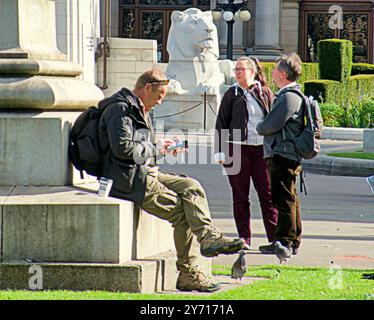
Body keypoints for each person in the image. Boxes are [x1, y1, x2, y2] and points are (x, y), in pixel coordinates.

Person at [97, 69, 245, 292]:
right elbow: (123, 148)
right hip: (127, 179)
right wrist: (155, 147)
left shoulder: (137, 108)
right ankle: (188, 274)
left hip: (144, 171)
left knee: (191, 186)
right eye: (159, 96)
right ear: (147, 87)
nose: (159, 102)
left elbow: (141, 150)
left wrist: (162, 150)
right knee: (182, 213)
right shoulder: (120, 109)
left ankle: (208, 238)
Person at [214, 56, 278, 249]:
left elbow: (275, 120)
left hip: (261, 151)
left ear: (252, 71)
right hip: (236, 149)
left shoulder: (265, 92)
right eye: (236, 69)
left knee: (267, 195)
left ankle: (274, 239)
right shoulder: (231, 94)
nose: (238, 72)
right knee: (240, 196)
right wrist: (220, 152)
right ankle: (244, 238)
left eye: (241, 69)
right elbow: (221, 123)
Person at [256, 53, 305, 258]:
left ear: (283, 74)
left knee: (283, 198)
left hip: (282, 153)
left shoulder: (288, 97)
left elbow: (269, 125)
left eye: (276, 69)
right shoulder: (290, 95)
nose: (272, 72)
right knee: (289, 197)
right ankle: (290, 240)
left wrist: (260, 125)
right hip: (287, 152)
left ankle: (284, 242)